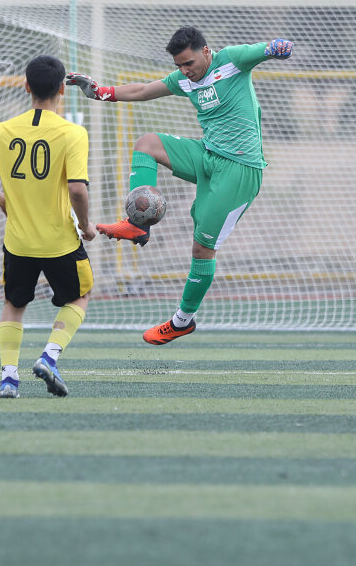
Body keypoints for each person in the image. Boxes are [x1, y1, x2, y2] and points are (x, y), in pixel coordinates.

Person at [66, 27, 293, 345]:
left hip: (240, 170)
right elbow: (143, 90)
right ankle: (137, 224)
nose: (184, 70)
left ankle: (182, 321)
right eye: (179, 65)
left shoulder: (232, 60)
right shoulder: (185, 80)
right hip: (207, 156)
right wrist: (99, 92)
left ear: (206, 52)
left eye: (188, 63)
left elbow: (266, 48)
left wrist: (278, 47)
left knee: (202, 249)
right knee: (147, 143)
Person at [0, 55, 97, 399]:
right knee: (80, 296)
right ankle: (49, 357)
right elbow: (77, 189)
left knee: (14, 304)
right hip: (60, 242)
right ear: (62, 90)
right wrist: (85, 225)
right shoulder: (73, 133)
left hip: (18, 242)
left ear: (26, 87)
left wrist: (2, 201)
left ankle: (9, 379)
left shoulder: (2, 130)